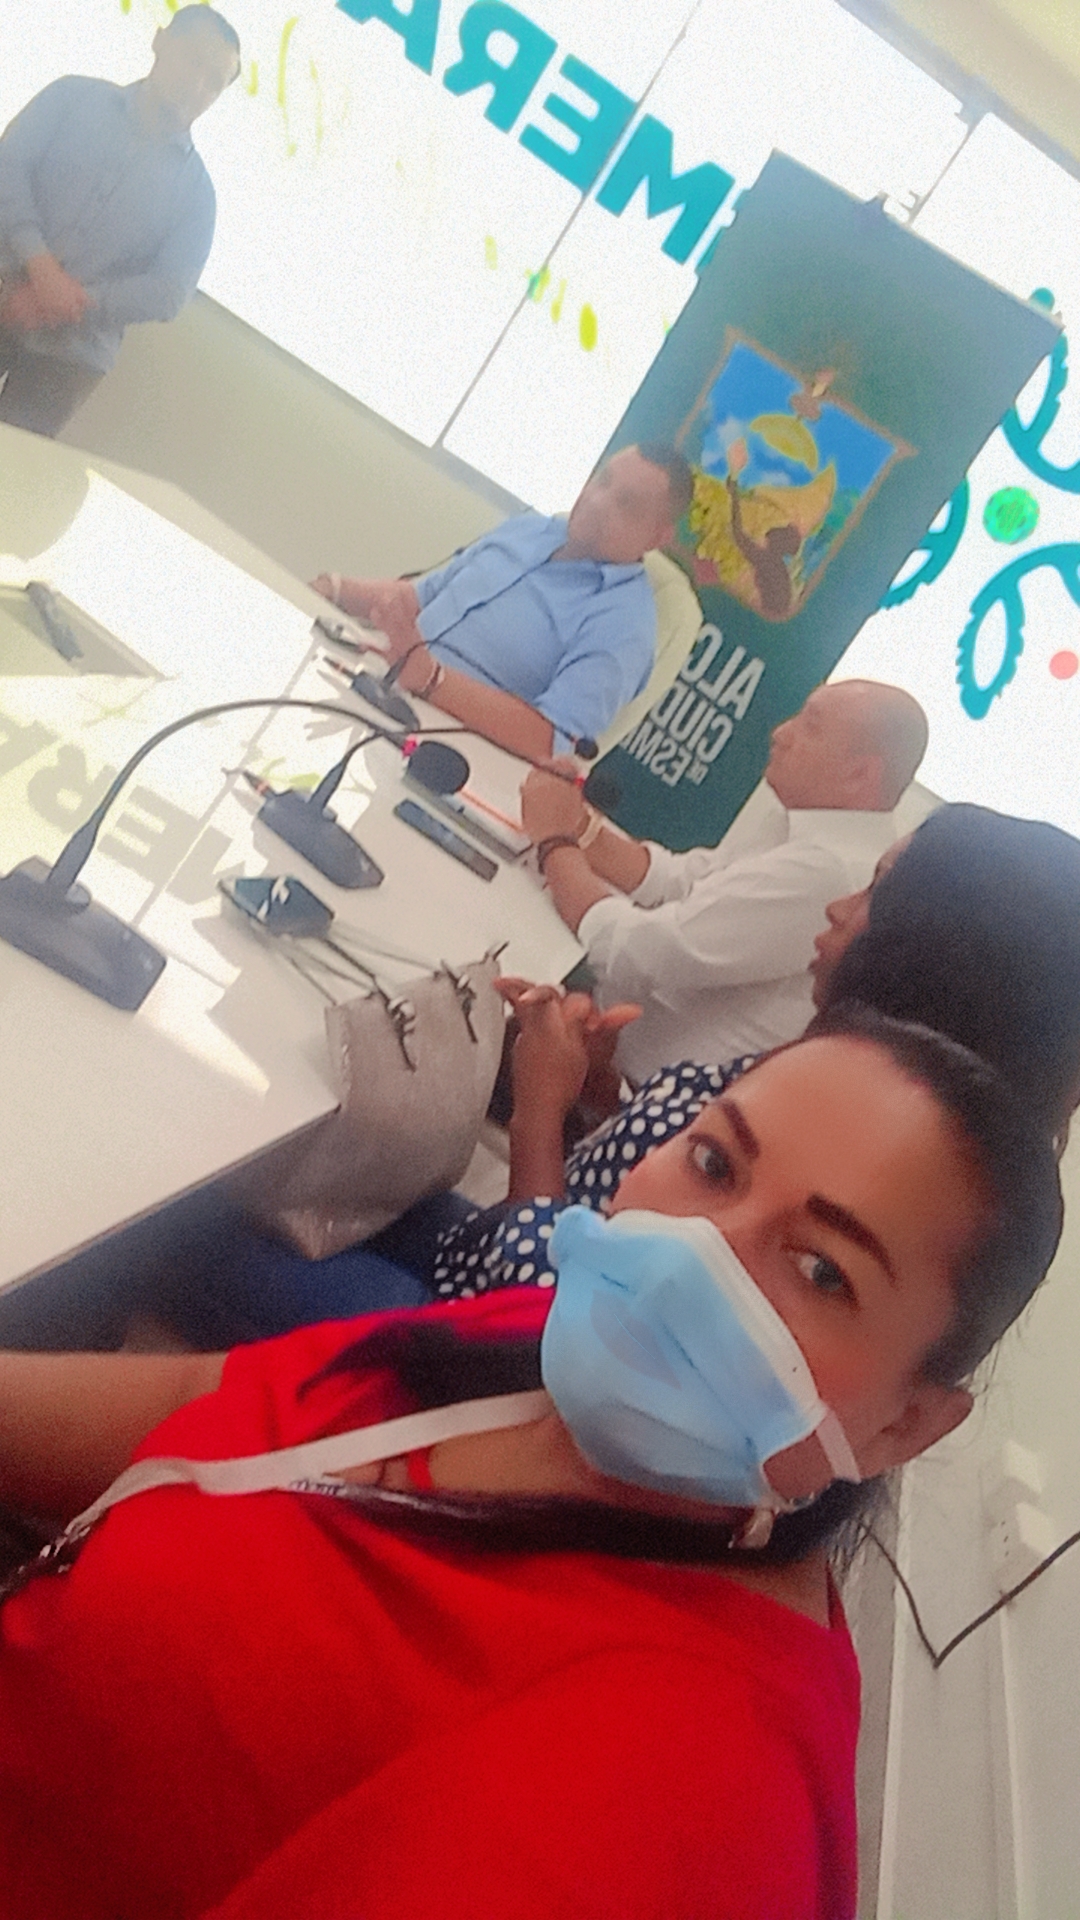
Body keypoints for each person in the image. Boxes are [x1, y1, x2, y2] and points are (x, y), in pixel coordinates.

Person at [0, 1006, 1061, 1920]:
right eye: (715, 1164)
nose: (692, 1259)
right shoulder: (545, 1342)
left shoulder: (666, 1793)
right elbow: (211, 1400)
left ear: (905, 1427)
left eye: (823, 1271)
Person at [428, 802, 1080, 1299]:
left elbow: (544, 1310)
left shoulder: (825, 1149)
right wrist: (594, 1090)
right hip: (483, 1244)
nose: (839, 908)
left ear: (936, 950)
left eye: (877, 893)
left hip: (465, 1314)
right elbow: (621, 1198)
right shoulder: (819, 1079)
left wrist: (538, 1113)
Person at [520, 677, 928, 1082]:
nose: (781, 733)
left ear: (859, 773)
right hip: (601, 1036)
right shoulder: (805, 824)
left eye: (811, 726)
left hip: (624, 1090)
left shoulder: (830, 871)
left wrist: (555, 842)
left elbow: (642, 955)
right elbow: (680, 881)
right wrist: (573, 820)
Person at [310, 444, 693, 762]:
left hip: (442, 755)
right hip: (371, 694)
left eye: (626, 504)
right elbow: (417, 596)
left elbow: (552, 742)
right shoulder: (529, 529)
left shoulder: (625, 625)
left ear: (657, 537)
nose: (596, 501)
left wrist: (432, 679)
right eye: (602, 480)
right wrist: (335, 589)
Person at [0, 7, 240, 437]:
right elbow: (8, 167)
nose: (197, 85)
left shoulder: (197, 195)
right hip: (3, 287)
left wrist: (69, 302)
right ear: (160, 40)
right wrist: (40, 266)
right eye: (193, 60)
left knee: (11, 469)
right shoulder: (71, 97)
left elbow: (170, 291)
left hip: (72, 354)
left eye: (214, 82)